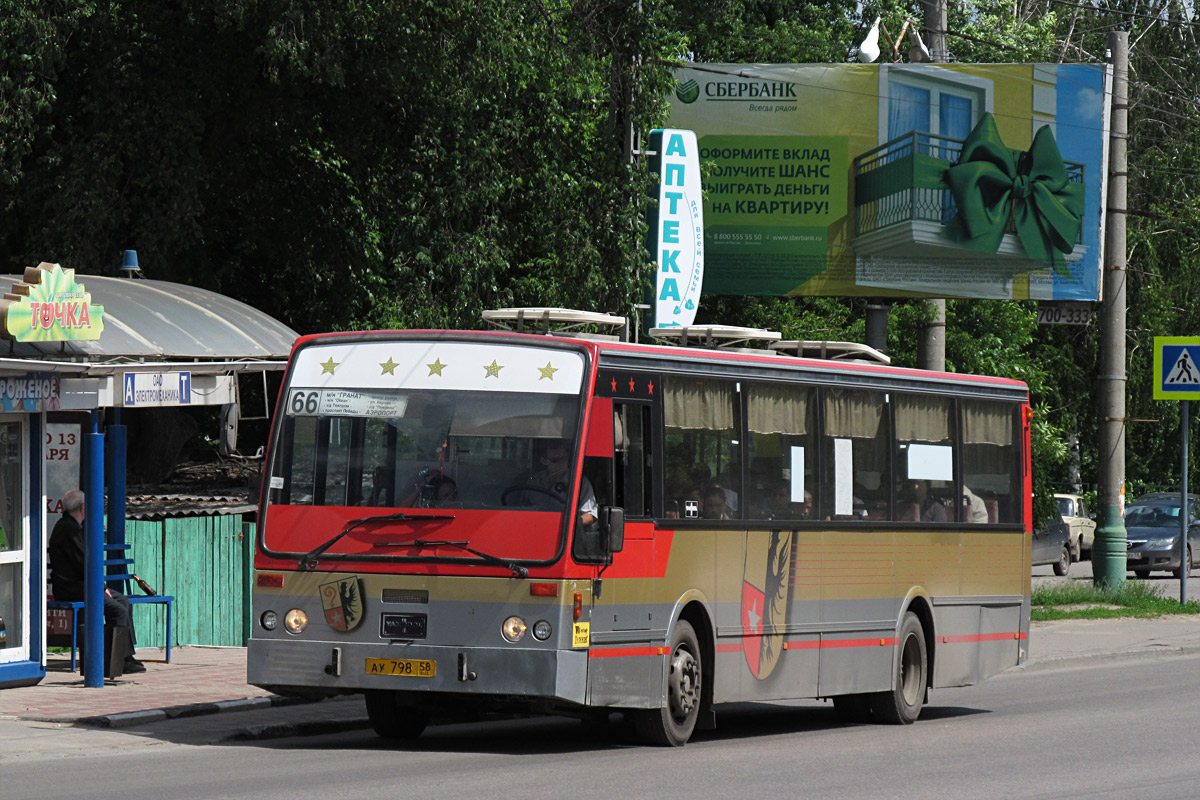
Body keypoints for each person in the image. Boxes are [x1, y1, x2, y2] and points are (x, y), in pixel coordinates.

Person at [48, 489, 145, 673]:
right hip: (73, 588)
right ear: (83, 507)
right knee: (117, 609)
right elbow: (83, 563)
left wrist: (102, 587)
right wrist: (101, 587)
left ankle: (126, 654)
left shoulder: (73, 527)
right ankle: (119, 660)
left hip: (83, 585)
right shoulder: (68, 529)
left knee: (123, 600)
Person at [526, 440, 596, 525]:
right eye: (555, 460)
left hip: (564, 533)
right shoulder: (534, 481)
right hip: (536, 528)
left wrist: (569, 524)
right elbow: (522, 508)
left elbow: (590, 515)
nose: (560, 463)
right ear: (544, 460)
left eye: (563, 459)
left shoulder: (579, 482)